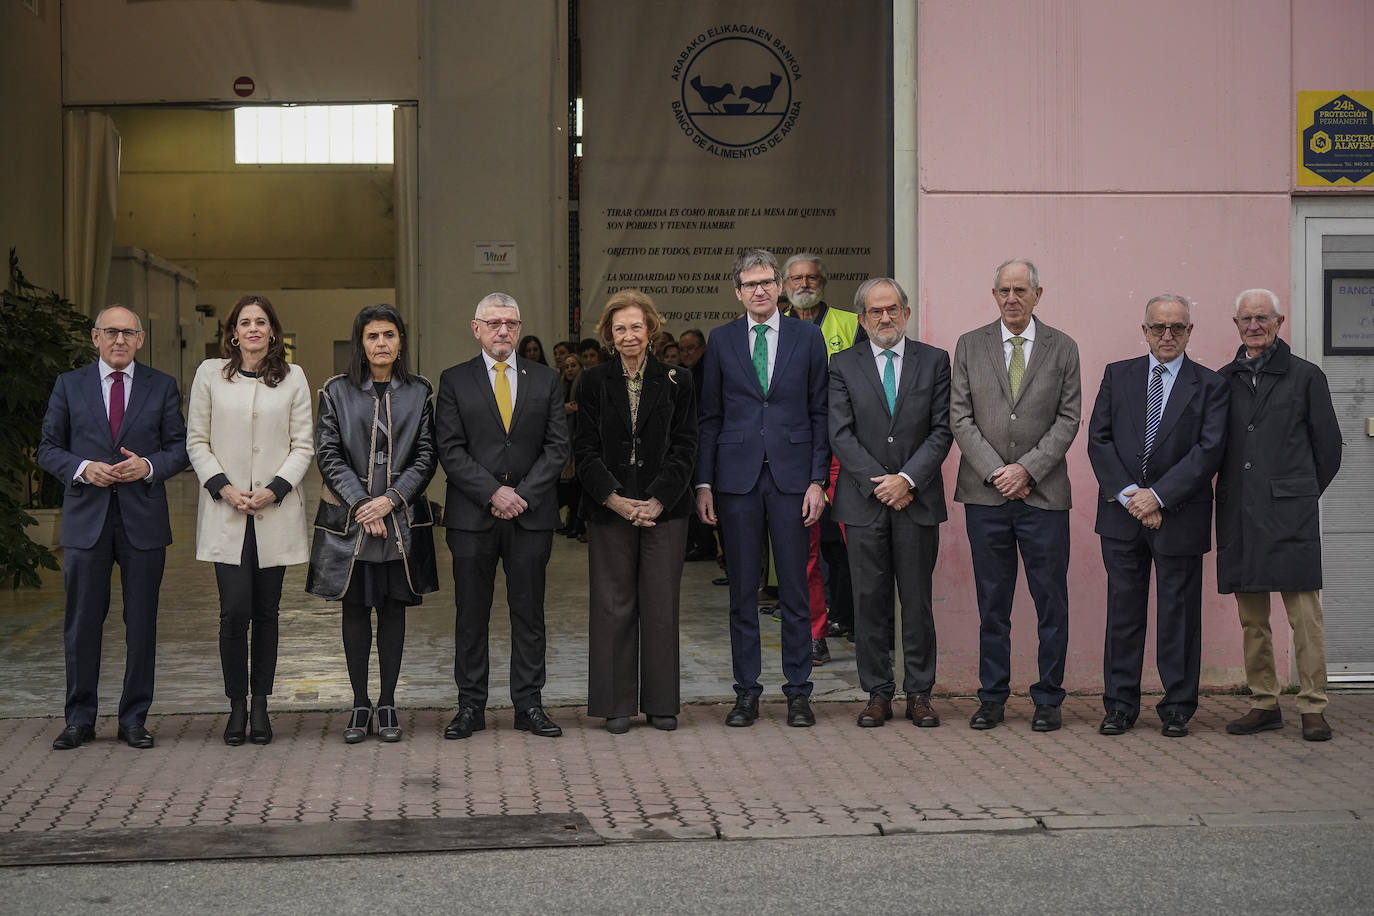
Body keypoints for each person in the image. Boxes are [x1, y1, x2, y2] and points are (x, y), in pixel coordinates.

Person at [39, 305, 189, 750]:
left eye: (128, 333)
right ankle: (79, 718)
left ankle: (133, 718)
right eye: (111, 332)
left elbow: (180, 449)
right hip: (87, 522)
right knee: (82, 623)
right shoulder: (69, 385)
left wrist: (147, 465)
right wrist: (84, 467)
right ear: (95, 338)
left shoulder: (161, 386)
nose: (119, 340)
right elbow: (48, 448)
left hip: (143, 521)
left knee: (141, 623)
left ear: (141, 339)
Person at [696, 249, 829, 728]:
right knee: (743, 592)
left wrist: (818, 480)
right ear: (738, 292)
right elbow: (709, 416)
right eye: (750, 284)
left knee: (794, 588)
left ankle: (798, 692)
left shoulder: (807, 337)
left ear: (780, 287)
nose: (759, 290)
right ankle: (747, 692)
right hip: (736, 481)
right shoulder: (721, 340)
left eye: (767, 282)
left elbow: (820, 414)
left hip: (794, 480)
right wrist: (705, 482)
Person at [1086, 294, 1227, 738]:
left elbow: (1209, 451)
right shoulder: (1117, 375)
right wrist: (1133, 496)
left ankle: (1177, 706)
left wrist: (1159, 497)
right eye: (1159, 327)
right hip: (1122, 515)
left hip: (1179, 516)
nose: (1168, 335)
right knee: (1123, 614)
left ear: (1190, 332)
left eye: (1177, 328)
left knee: (1178, 615)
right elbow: (1099, 440)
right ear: (1144, 330)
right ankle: (1120, 706)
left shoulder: (1210, 385)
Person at [951, 258, 1081, 732]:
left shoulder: (1062, 348)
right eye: (1004, 290)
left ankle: (1048, 698)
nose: (1012, 298)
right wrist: (996, 472)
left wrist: (1026, 470)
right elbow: (959, 417)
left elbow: (1069, 419)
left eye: (1021, 290)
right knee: (993, 603)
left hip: (1044, 497)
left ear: (1038, 295)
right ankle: (992, 696)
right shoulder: (969, 345)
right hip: (986, 498)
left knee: (1051, 602)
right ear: (994, 295)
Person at [436, 293, 570, 740]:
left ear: (519, 327)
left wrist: (522, 496)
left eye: (510, 323)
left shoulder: (546, 380)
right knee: (470, 614)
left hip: (530, 517)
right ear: (476, 328)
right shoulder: (454, 380)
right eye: (493, 323)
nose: (502, 331)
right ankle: (470, 706)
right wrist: (493, 491)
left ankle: (529, 705)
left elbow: (557, 447)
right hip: (473, 517)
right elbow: (449, 450)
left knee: (528, 613)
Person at [305, 304, 438, 744]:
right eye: (372, 336)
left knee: (394, 612)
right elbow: (327, 454)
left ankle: (388, 703)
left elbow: (426, 455)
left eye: (389, 335)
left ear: (400, 341)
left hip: (399, 519)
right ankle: (360, 704)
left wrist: (390, 501)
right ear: (360, 343)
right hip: (352, 519)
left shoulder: (420, 393)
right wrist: (364, 503)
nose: (381, 343)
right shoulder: (335, 391)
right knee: (356, 611)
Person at [187, 295, 315, 746]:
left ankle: (261, 704)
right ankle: (235, 704)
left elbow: (304, 444)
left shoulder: (294, 378)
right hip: (227, 510)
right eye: (245, 322)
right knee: (234, 611)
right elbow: (196, 441)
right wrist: (223, 486)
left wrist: (274, 489)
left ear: (273, 331)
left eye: (262, 322)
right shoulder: (209, 375)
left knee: (267, 613)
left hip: (273, 510)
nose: (254, 329)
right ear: (233, 333)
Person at [1217, 289, 1342, 741]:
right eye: (1246, 318)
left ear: (1279, 321)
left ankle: (1313, 704)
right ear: (1236, 325)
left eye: (1262, 318)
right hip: (1241, 515)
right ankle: (1264, 702)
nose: (1254, 325)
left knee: (1305, 617)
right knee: (1252, 618)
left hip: (1290, 516)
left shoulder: (1306, 376)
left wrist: (1300, 495)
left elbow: (1328, 448)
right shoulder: (1223, 380)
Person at [828, 278, 952, 728]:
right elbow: (840, 432)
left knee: (916, 602)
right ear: (862, 319)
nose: (885, 318)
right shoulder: (842, 364)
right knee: (869, 601)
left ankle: (919, 692)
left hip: (916, 502)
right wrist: (879, 483)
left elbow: (942, 429)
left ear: (906, 312)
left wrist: (907, 480)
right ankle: (877, 693)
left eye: (893, 309)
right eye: (876, 311)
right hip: (864, 503)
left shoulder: (935, 361)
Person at [575, 289, 697, 733]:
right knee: (613, 605)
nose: (629, 335)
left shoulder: (678, 380)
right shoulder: (590, 382)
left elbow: (686, 446)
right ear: (609, 334)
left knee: (661, 604)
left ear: (651, 330)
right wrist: (614, 498)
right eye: (619, 328)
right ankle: (616, 704)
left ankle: (661, 703)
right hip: (611, 508)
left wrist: (659, 499)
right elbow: (584, 450)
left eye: (636, 327)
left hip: (665, 507)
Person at [781, 252, 863, 661]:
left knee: (862, 547)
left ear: (823, 281)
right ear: (784, 284)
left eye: (811, 277)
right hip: (798, 454)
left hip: (847, 452)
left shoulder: (850, 324)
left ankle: (870, 633)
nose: (804, 284)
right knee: (805, 552)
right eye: (796, 278)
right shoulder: (771, 328)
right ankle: (815, 635)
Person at [677, 328, 718, 564]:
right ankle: (703, 544)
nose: (686, 353)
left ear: (702, 348)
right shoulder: (685, 373)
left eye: (691, 348)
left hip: (706, 443)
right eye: (682, 349)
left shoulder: (707, 372)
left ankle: (707, 546)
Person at [556, 353, 586, 539]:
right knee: (569, 487)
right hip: (566, 443)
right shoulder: (562, 387)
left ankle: (578, 525)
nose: (569, 369)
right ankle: (572, 524)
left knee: (577, 489)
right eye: (566, 366)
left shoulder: (582, 385)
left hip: (579, 442)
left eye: (573, 365)